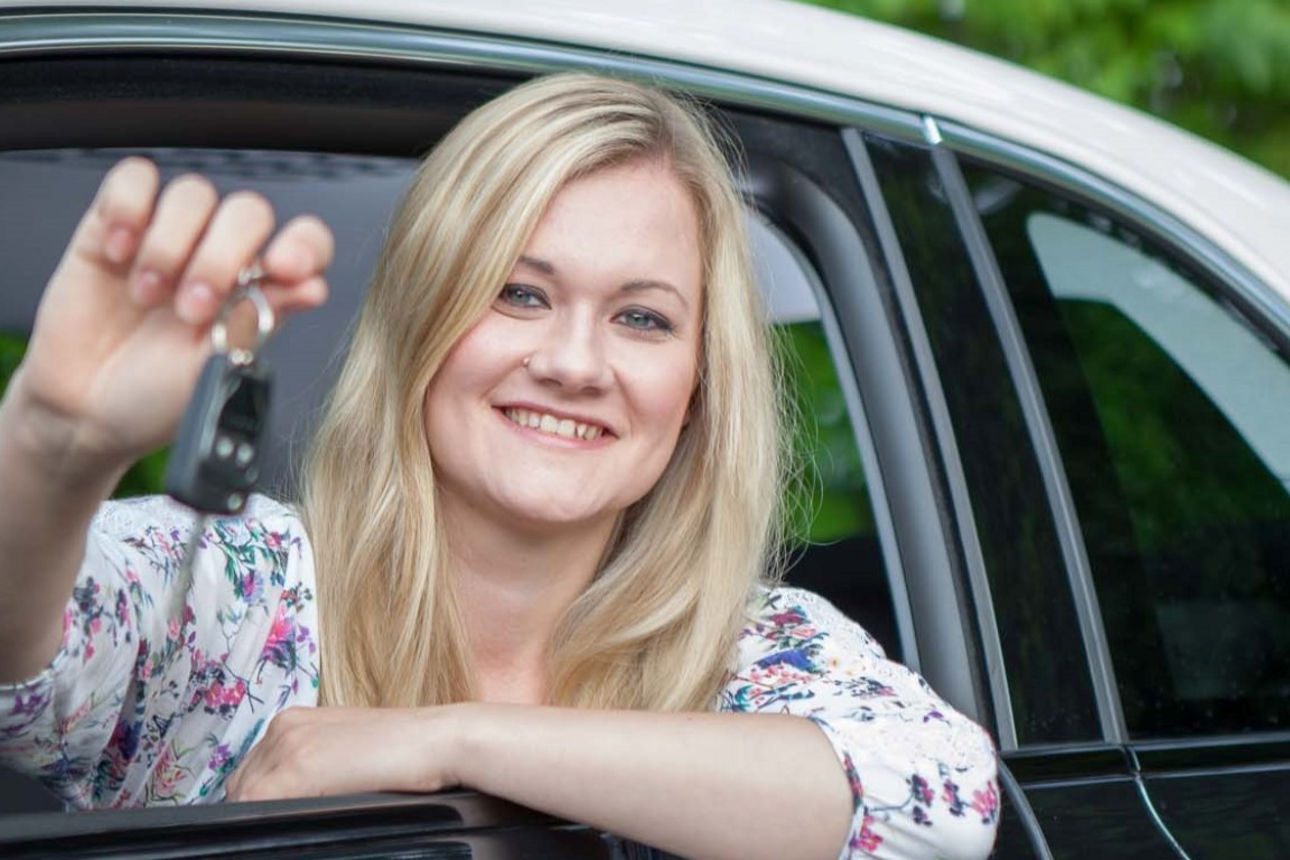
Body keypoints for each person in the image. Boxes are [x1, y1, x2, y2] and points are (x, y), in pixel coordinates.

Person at [0, 74, 998, 858]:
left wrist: (453, 738)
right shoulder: (226, 584)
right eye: (519, 294)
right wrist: (49, 446)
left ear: (698, 384)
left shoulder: (753, 647)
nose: (572, 363)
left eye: (642, 317)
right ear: (421, 322)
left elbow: (942, 803)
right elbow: (22, 672)